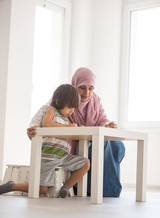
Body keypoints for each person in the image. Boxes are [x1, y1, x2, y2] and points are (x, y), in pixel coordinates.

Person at [27, 67, 125, 197]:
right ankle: (90, 188)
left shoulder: (96, 100)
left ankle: (108, 189)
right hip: (73, 143)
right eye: (82, 87)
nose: (87, 93)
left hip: (92, 139)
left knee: (116, 144)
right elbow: (45, 113)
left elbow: (102, 119)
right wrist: (33, 127)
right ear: (75, 85)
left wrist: (108, 125)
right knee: (104, 145)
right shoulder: (66, 98)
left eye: (91, 88)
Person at [0, 84, 90, 198]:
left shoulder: (67, 119)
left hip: (63, 157)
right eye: (70, 107)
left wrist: (78, 128)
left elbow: (71, 131)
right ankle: (12, 186)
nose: (72, 111)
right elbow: (47, 124)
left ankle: (66, 187)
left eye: (74, 108)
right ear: (58, 101)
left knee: (86, 163)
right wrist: (69, 128)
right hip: (48, 158)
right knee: (41, 189)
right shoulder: (52, 110)